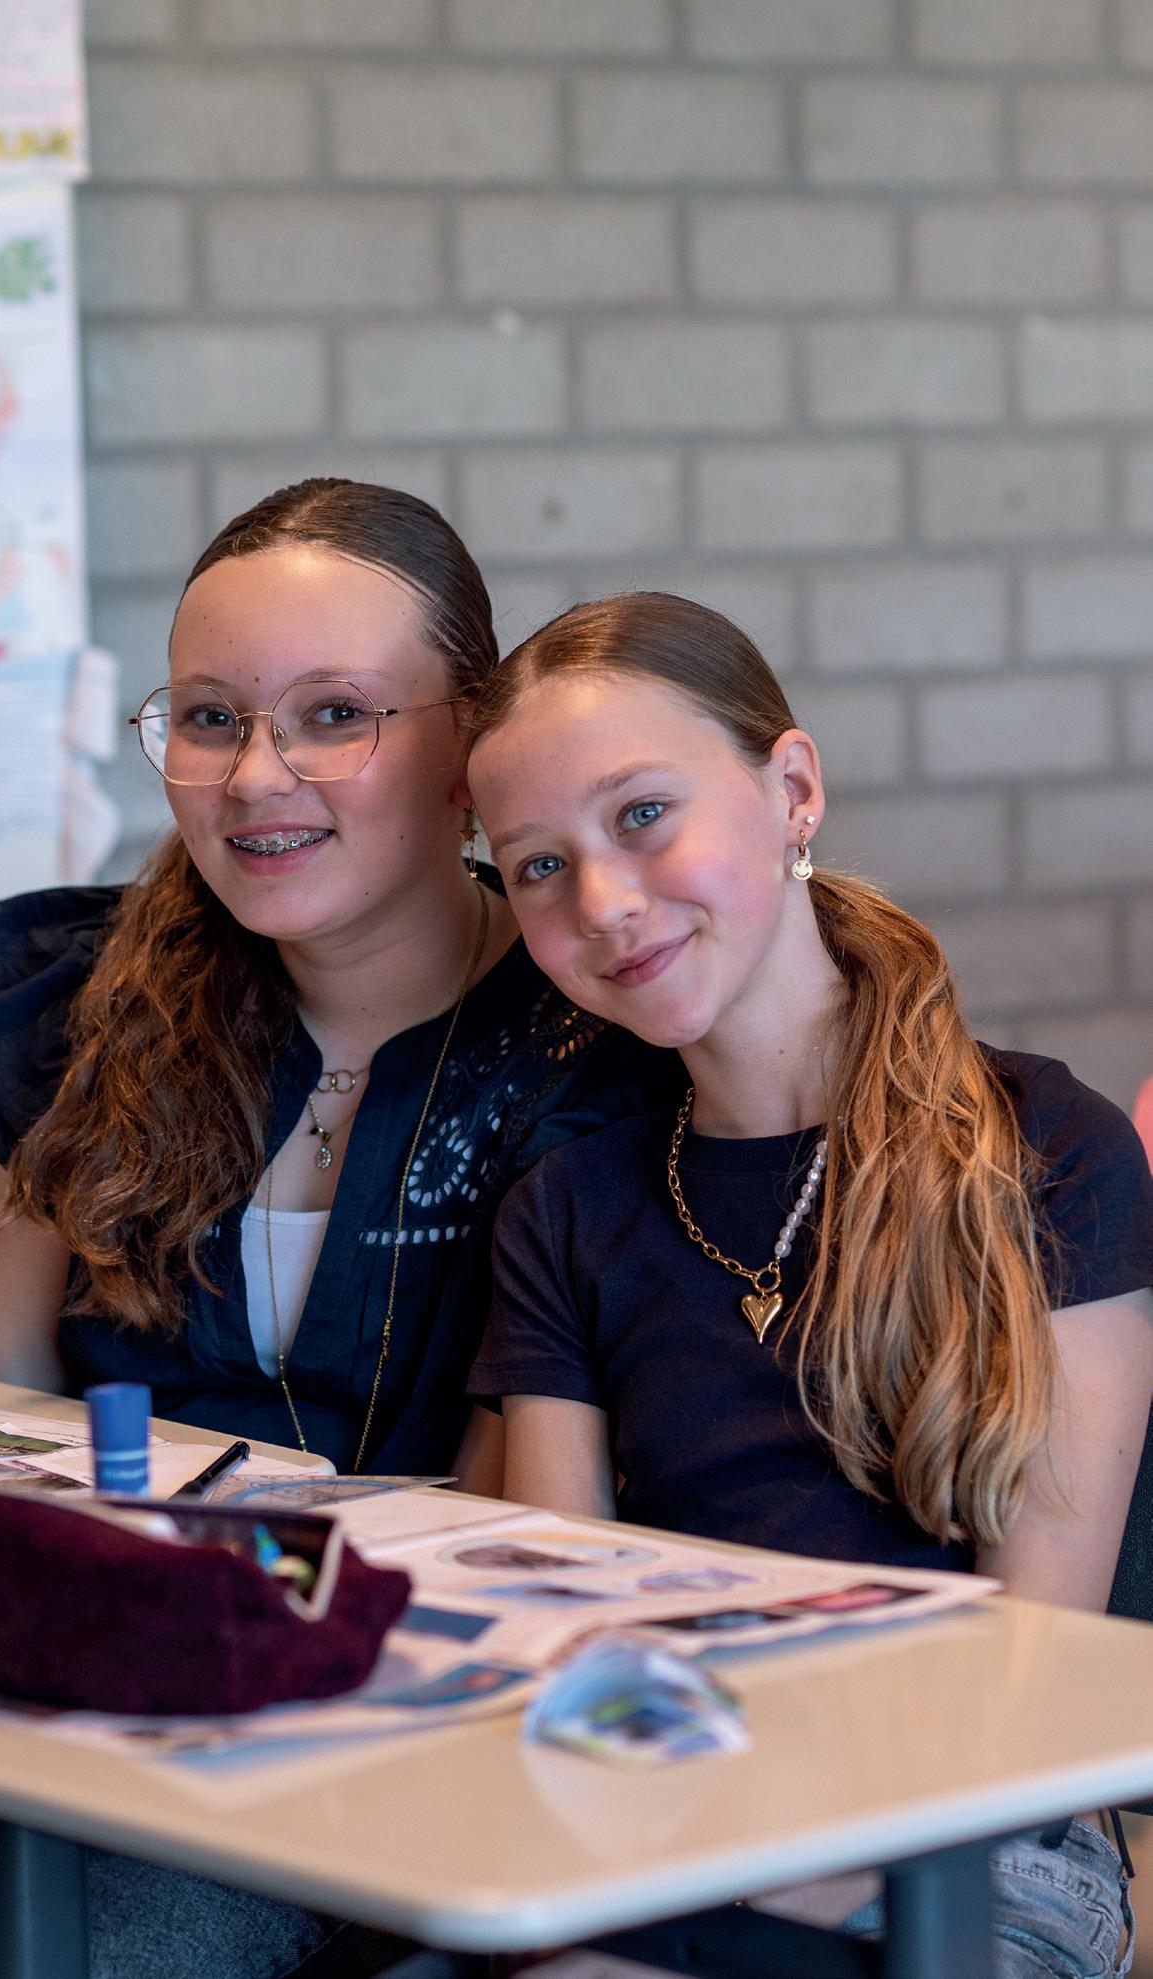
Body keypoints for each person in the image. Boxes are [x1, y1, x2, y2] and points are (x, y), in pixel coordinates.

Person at [0, 483, 667, 1979]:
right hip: (90, 1684)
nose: (257, 777)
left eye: (334, 715)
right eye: (210, 719)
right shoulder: (100, 1002)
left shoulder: (602, 1040)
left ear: (468, 746)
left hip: (401, 1727)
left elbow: (537, 1528)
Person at [464, 591, 1153, 1975]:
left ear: (791, 790)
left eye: (642, 815)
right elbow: (573, 1634)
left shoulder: (1045, 1148)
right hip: (668, 1818)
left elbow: (1029, 1670)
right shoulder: (569, 1208)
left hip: (980, 1842)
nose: (603, 901)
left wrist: (739, 1858)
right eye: (538, 866)